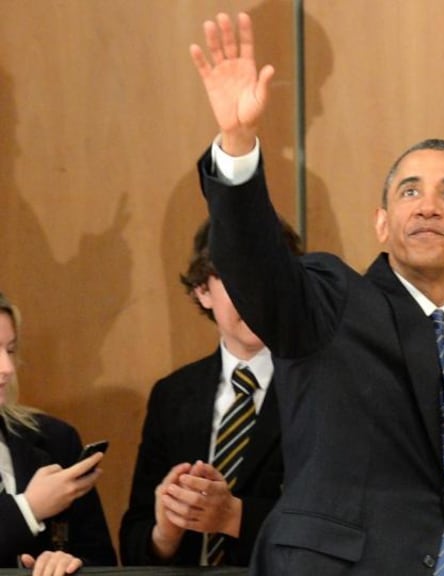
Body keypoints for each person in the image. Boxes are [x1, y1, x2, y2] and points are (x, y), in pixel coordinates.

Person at [186, 12, 444, 575]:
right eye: (409, 192)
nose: (428, 205)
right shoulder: (329, 302)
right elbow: (255, 268)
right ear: (382, 223)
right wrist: (237, 142)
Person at [120, 218, 301, 566]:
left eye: (269, 277)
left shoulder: (323, 390)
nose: (255, 295)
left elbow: (335, 524)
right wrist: (165, 533)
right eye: (236, 278)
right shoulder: (172, 395)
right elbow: (133, 540)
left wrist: (235, 517)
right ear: (202, 290)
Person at [0, 291, 117, 574]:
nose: (7, 368)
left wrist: (72, 565)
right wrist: (28, 509)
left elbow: (102, 560)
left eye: (11, 350)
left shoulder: (56, 439)